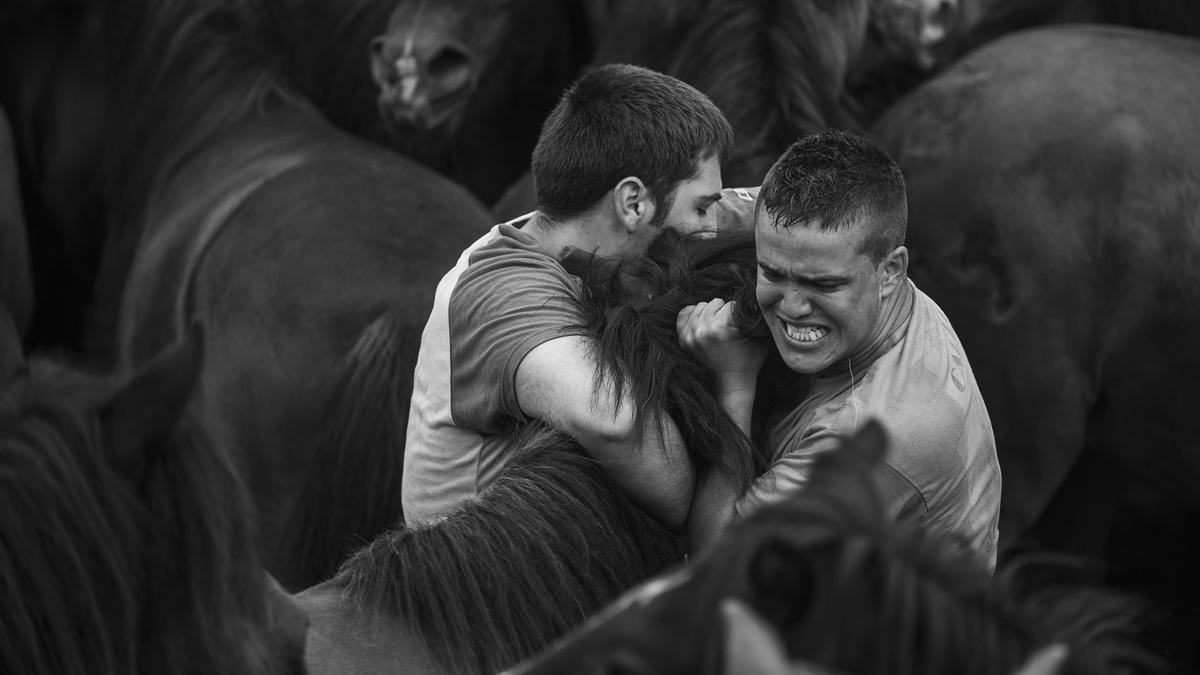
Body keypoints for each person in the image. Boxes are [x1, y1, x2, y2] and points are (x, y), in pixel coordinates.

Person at [402, 63, 735, 530]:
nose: (712, 227)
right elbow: (615, 425)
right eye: (702, 207)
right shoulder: (498, 287)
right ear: (633, 203)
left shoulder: (570, 231)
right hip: (498, 586)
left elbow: (764, 207)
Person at [677, 130, 1001, 567]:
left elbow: (710, 567)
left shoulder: (875, 433)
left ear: (891, 270)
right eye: (771, 273)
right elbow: (731, 209)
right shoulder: (847, 255)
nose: (790, 308)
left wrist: (733, 383)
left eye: (823, 284)